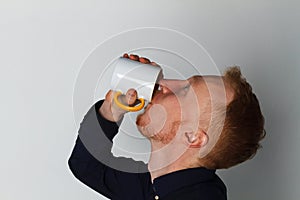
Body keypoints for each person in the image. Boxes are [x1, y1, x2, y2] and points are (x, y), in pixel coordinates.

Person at [68, 54, 265, 200]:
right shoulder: (153, 185)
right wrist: (112, 109)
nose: (163, 83)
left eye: (186, 90)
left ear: (193, 137)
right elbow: (85, 166)